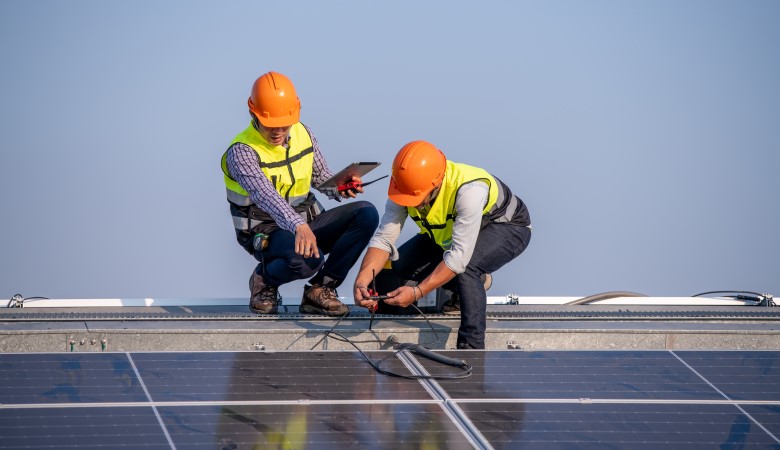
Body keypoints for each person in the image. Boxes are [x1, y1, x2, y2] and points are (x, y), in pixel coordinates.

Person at [221, 71, 378, 316]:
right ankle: (264, 279)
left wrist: (340, 186)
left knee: (366, 214)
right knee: (309, 261)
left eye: (284, 124)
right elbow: (266, 196)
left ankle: (321, 289)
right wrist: (298, 226)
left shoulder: (304, 134)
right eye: (270, 124)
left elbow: (319, 176)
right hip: (266, 229)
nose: (278, 131)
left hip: (307, 223)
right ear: (253, 113)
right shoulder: (241, 151)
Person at [352, 140, 531, 349]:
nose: (411, 203)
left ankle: (471, 347)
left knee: (467, 268)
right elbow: (384, 239)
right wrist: (361, 281)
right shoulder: (402, 188)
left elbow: (458, 258)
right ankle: (472, 285)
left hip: (507, 226)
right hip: (453, 234)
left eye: (416, 198)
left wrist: (418, 292)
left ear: (436, 184)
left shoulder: (470, 190)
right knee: (402, 264)